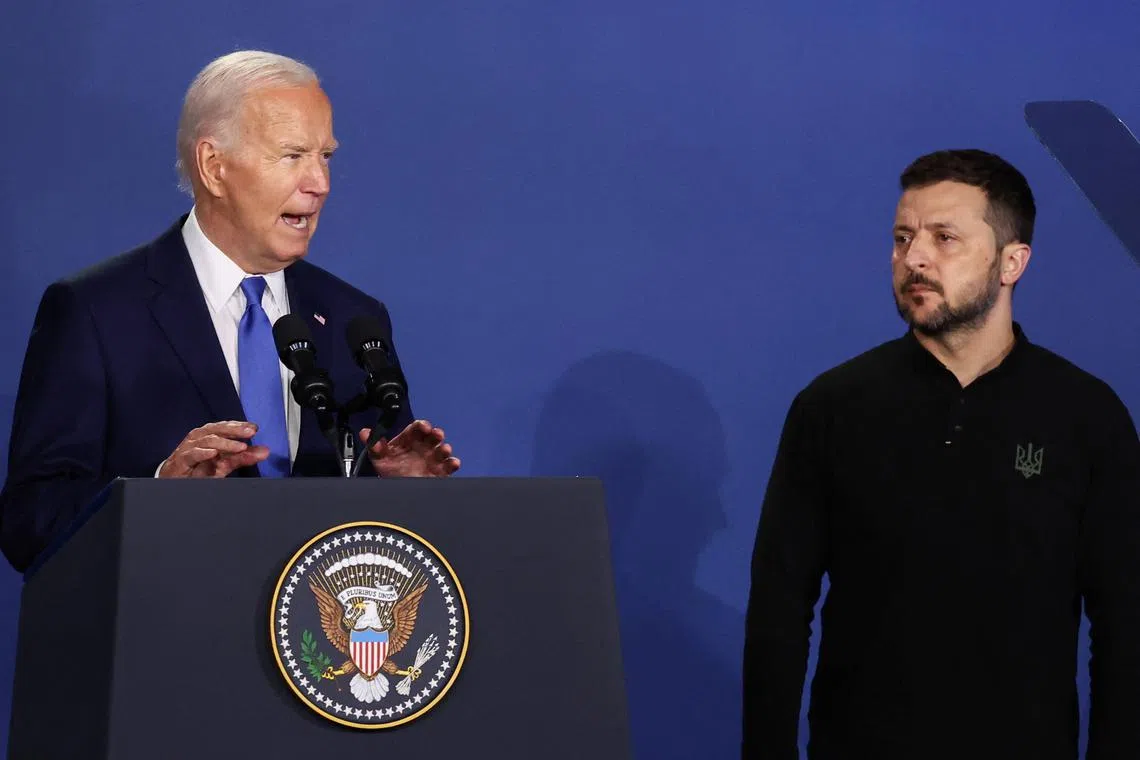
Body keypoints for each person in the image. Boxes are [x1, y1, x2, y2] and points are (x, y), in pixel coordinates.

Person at [742, 149, 1139, 759]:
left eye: (944, 238)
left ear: (1012, 262)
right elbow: (779, 604)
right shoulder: (832, 407)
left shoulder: (1086, 416)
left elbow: (1125, 624)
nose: (914, 258)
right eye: (903, 237)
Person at [0, 51, 460, 573]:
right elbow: (30, 520)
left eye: (326, 156)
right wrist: (158, 493)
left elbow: (375, 534)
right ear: (214, 167)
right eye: (292, 155)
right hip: (167, 615)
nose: (320, 183)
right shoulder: (95, 312)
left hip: (314, 625)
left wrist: (407, 496)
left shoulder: (354, 318)